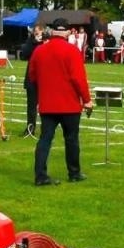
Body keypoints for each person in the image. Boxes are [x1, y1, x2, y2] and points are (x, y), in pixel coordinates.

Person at [25, 19, 93, 185]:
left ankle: (40, 175)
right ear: (68, 32)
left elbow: (32, 76)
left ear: (52, 31)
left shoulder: (39, 50)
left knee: (45, 140)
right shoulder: (72, 50)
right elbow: (79, 79)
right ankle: (74, 173)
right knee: (71, 139)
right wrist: (87, 100)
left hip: (48, 104)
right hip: (69, 104)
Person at [18, 25, 45, 137]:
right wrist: (33, 41)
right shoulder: (31, 41)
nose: (37, 34)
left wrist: (43, 41)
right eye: (35, 32)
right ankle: (30, 128)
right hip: (32, 78)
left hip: (45, 78)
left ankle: (46, 129)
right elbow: (25, 54)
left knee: (45, 106)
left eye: (39, 32)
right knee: (31, 106)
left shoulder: (47, 41)